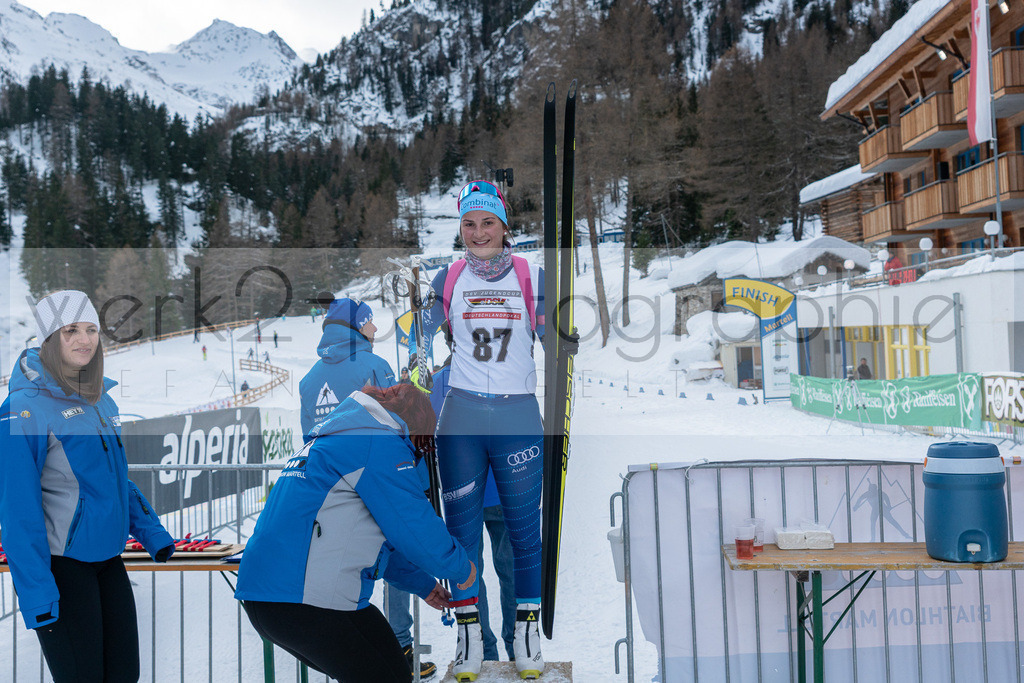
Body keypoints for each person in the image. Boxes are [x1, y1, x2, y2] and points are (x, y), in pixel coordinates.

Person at [419, 180, 578, 679]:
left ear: (505, 226)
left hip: (517, 416)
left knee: (525, 536)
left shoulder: (533, 276)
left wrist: (563, 337)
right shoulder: (446, 279)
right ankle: (468, 637)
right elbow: (421, 345)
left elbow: (559, 341)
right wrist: (419, 362)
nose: (478, 232)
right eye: (469, 223)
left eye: (488, 222)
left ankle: (524, 637)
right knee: (461, 537)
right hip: (461, 418)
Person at [234, 384, 476, 683]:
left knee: (394, 671)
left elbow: (385, 542)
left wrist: (424, 585)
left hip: (284, 595)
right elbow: (414, 525)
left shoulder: (349, 434)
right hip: (299, 599)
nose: (416, 456)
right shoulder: (378, 441)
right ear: (414, 427)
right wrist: (461, 568)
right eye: (419, 445)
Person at [0, 290, 176, 682]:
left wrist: (150, 531)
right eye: (71, 331)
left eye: (92, 329)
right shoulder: (23, 407)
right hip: (63, 570)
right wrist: (38, 595)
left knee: (123, 676)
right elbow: (17, 511)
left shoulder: (100, 400)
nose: (85, 339)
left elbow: (114, 480)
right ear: (49, 339)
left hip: (108, 562)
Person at [297, 297, 428, 676]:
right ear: (359, 325)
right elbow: (400, 427)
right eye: (371, 323)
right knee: (387, 559)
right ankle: (397, 645)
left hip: (332, 494)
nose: (374, 331)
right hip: (377, 484)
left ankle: (352, 650)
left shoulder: (309, 379)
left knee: (345, 565)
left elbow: (310, 440)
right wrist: (416, 483)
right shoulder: (373, 365)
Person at [430, 344, 516, 662]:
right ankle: (517, 642)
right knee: (511, 571)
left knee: (468, 574)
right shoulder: (504, 377)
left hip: (461, 497)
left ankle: (482, 646)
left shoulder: (438, 384)